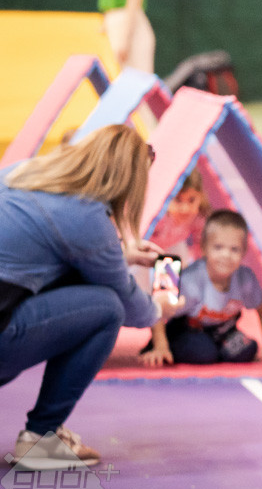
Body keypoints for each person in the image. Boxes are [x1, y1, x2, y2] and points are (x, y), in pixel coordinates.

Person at [0, 125, 183, 469]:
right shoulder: (85, 215)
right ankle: (41, 437)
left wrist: (119, 256)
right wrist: (159, 307)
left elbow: (37, 251)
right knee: (107, 309)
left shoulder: (23, 173)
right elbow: (132, 308)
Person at [139, 210, 262, 367]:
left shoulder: (245, 279)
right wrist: (161, 347)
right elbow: (159, 309)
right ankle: (162, 346)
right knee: (204, 352)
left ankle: (216, 349)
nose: (226, 255)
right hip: (186, 328)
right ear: (204, 248)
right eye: (218, 247)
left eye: (234, 249)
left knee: (247, 349)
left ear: (244, 252)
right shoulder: (192, 281)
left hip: (222, 331)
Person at [148, 168, 208, 263]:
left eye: (191, 200)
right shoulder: (160, 217)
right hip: (147, 248)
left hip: (172, 245)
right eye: (178, 200)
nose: (185, 208)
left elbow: (200, 245)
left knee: (180, 252)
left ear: (201, 197)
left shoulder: (198, 218)